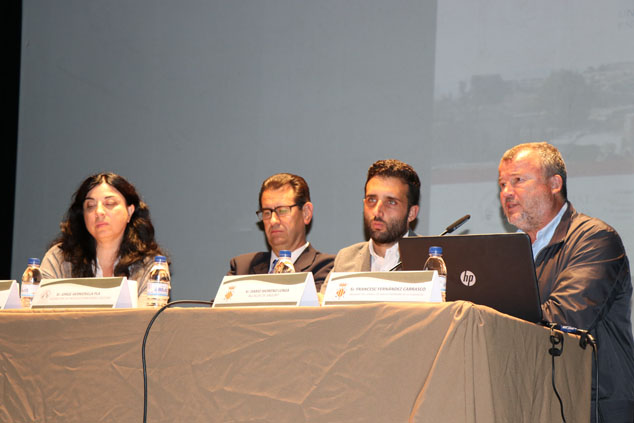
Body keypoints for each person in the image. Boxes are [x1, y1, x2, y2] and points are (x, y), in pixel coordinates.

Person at [498, 142, 634, 422]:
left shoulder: (595, 239)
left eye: (518, 180)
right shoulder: (508, 252)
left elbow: (563, 318)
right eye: (502, 184)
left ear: (554, 184)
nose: (507, 192)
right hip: (534, 402)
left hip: (593, 406)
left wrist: (484, 319)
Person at [41, 172, 168, 304]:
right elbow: (39, 312)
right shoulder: (59, 258)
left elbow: (148, 315)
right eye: (90, 206)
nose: (99, 212)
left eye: (109, 203)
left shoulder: (152, 265)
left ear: (129, 212)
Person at [227, 173, 334, 291]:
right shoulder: (242, 268)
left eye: (282, 211)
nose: (273, 221)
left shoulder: (328, 268)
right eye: (267, 212)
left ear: (306, 213)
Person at [326, 159, 420, 277]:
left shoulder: (431, 259)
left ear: (411, 213)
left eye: (391, 202)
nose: (377, 211)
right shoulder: (346, 260)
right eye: (371, 200)